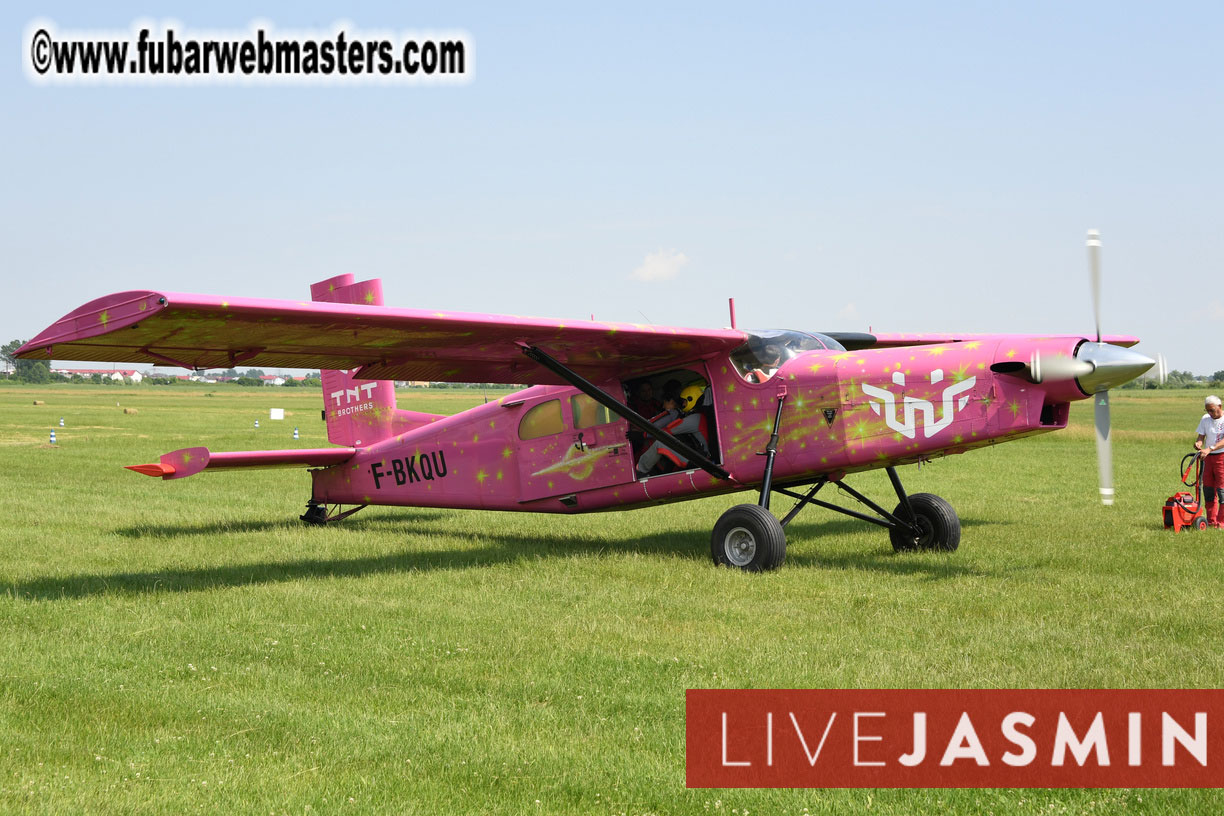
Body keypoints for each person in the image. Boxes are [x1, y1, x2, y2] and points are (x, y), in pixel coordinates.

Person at [635, 381, 710, 477]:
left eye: (684, 401)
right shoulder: (697, 416)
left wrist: (642, 435)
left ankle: (640, 471)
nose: (682, 404)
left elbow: (667, 430)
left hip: (699, 460)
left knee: (660, 442)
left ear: (691, 399)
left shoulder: (694, 418)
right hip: (698, 456)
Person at [1195, 395, 1224, 527]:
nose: (1210, 413)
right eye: (1207, 410)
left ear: (1220, 406)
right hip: (1207, 458)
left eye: (1212, 410)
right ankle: (1212, 521)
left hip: (1221, 457)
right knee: (1208, 490)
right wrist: (1198, 444)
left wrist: (1210, 449)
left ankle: (1221, 522)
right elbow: (1201, 436)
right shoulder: (1205, 419)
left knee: (1222, 490)